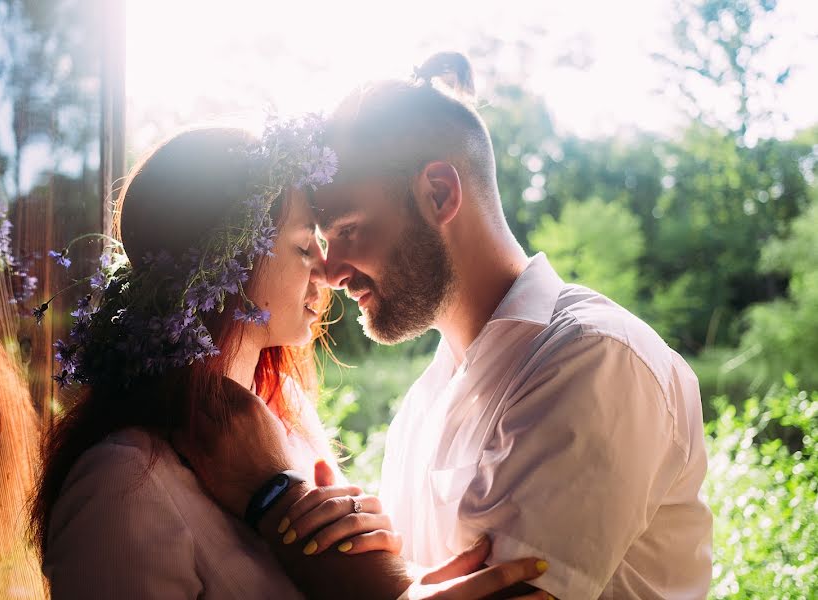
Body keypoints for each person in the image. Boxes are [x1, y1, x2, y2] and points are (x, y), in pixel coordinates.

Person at [30, 124, 551, 599]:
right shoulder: (123, 484)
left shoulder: (289, 417)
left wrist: (398, 577)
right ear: (231, 264)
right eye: (305, 246)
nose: (327, 272)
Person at [309, 52, 714, 599]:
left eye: (350, 229)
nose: (330, 272)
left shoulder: (594, 358)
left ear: (439, 194)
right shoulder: (424, 402)